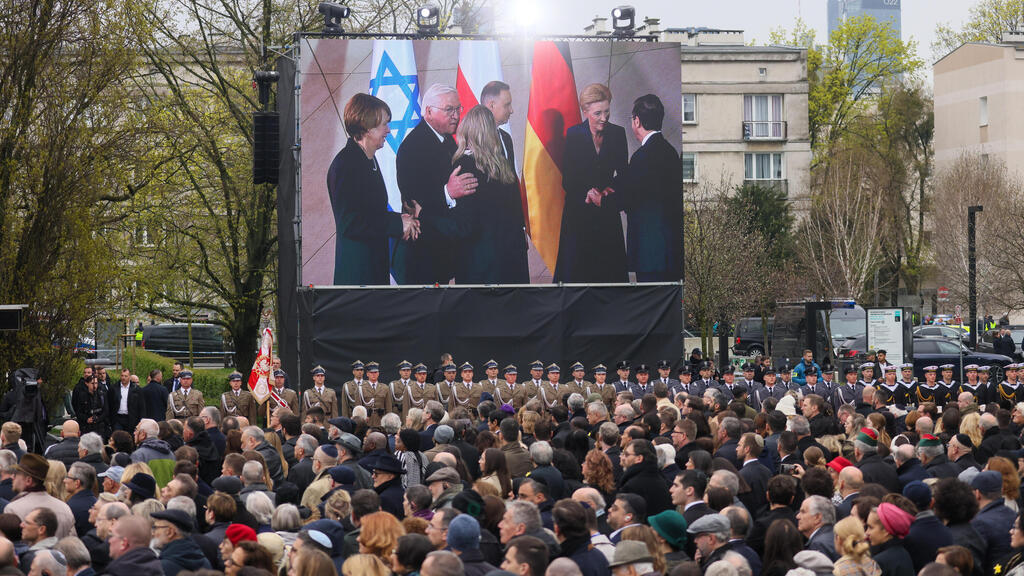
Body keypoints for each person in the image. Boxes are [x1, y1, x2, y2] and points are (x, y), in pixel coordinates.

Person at [328, 92, 419, 285]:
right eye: (384, 124)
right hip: (358, 276)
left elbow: (369, 212)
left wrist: (399, 218)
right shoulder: (346, 165)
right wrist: (395, 224)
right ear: (367, 127)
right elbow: (350, 223)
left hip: (372, 271)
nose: (388, 130)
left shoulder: (367, 159)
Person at [394, 83, 478, 285]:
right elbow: (414, 202)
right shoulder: (412, 148)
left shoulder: (447, 139)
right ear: (428, 112)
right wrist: (448, 192)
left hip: (447, 251)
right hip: (424, 256)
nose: (456, 115)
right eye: (449, 109)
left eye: (458, 109)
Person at [441, 104, 529, 283]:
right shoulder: (502, 165)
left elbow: (465, 224)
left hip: (479, 265)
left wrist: (430, 217)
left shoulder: (463, 164)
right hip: (510, 259)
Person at [601, 93, 682, 282]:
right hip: (671, 252)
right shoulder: (670, 153)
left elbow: (628, 198)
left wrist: (601, 199)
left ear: (636, 121)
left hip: (649, 253)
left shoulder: (641, 157)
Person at [553, 83, 628, 283]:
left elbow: (623, 176)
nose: (603, 118)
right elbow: (568, 178)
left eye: (607, 112)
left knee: (609, 280)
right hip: (578, 215)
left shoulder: (618, 134)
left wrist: (607, 194)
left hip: (606, 213)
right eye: (597, 113)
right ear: (585, 111)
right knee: (577, 278)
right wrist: (587, 194)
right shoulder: (574, 135)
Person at [3, 454, 75, 538]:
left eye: (16, 474)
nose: (12, 477)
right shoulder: (64, 508)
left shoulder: (13, 509)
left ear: (28, 480)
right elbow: (72, 540)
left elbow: (7, 545)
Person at [866, 503, 914, 576]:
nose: (866, 532)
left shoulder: (879, 562)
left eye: (870, 527)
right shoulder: (904, 553)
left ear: (886, 531)